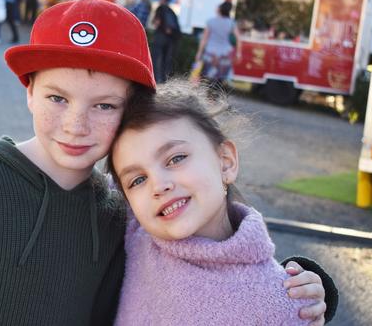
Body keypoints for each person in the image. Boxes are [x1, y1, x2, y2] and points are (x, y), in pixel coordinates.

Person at [0, 0, 335, 325]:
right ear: (29, 92)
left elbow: (202, 261)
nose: (76, 125)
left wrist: (306, 286)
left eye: (104, 106)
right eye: (57, 98)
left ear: (129, 112)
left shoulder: (124, 209)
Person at [108, 83, 337, 325]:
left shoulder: (280, 302)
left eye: (176, 158)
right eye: (138, 180)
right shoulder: (134, 230)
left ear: (225, 162)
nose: (158, 185)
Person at [195, 1, 242, 90]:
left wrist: (199, 52)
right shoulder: (231, 23)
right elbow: (239, 39)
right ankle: (213, 99)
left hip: (210, 53)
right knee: (220, 78)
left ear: (219, 9)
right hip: (225, 54)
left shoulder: (211, 21)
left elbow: (204, 39)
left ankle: (201, 96)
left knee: (204, 75)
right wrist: (238, 54)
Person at [151, 0, 180, 83]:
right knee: (166, 59)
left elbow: (157, 22)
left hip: (160, 36)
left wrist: (154, 24)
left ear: (162, 0)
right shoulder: (172, 11)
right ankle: (164, 79)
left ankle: (155, 79)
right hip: (170, 39)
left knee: (156, 58)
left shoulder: (160, 8)